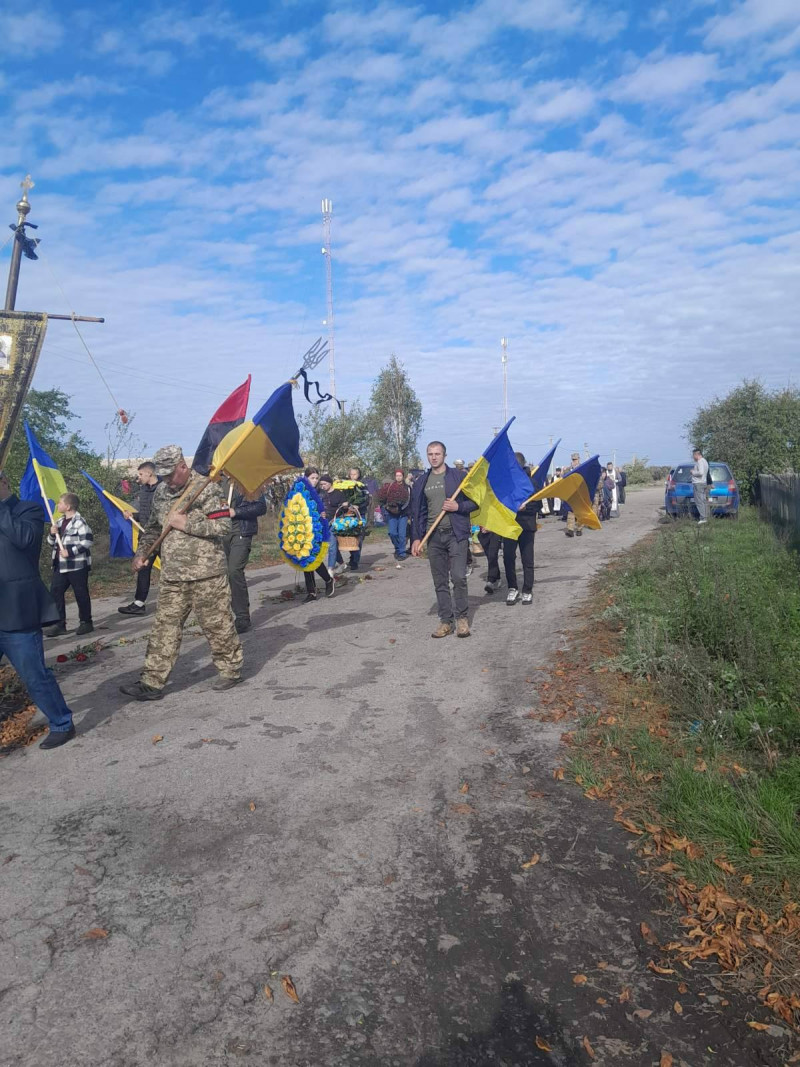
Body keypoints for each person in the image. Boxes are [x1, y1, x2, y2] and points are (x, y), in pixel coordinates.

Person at [119, 445, 243, 701]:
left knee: (217, 625)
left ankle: (230, 670)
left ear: (183, 467)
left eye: (169, 473)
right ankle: (152, 682)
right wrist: (143, 553)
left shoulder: (207, 488)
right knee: (164, 628)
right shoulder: (162, 492)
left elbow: (223, 526)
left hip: (206, 574)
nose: (165, 479)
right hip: (173, 575)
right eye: (161, 474)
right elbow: (153, 528)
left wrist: (186, 523)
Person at [0, 470, 77, 748]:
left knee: (33, 673)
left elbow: (25, 540)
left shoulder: (27, 510)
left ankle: (62, 723)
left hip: (16, 610)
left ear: (4, 482)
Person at [410, 440, 477, 638]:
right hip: (433, 537)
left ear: (444, 456)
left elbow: (475, 502)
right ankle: (446, 621)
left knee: (458, 576)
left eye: (437, 454)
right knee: (439, 581)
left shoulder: (459, 477)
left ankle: (462, 619)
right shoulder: (422, 481)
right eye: (430, 454)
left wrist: (459, 507)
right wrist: (416, 537)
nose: (434, 457)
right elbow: (417, 512)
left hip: (456, 534)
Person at [43, 493, 94, 638]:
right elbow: (51, 543)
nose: (58, 505)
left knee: (81, 593)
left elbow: (87, 541)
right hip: (61, 565)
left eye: (60, 503)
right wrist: (52, 534)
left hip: (76, 565)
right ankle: (59, 624)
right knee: (55, 591)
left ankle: (86, 622)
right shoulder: (59, 522)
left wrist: (71, 552)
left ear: (68, 506)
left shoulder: (79, 522)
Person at [118, 461, 160, 616]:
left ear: (149, 473)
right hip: (146, 536)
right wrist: (131, 514)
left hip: (163, 536)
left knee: (172, 567)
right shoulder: (143, 491)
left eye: (141, 474)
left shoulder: (164, 489)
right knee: (142, 567)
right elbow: (141, 512)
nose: (139, 478)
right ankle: (139, 603)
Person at [224, 483, 267, 633]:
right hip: (218, 535)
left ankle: (242, 616)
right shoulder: (212, 481)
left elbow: (261, 507)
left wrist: (236, 511)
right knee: (221, 575)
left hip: (240, 533)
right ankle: (222, 615)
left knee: (234, 570)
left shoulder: (246, 480)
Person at [503, 453, 541, 605]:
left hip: (526, 525)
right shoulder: (506, 483)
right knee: (507, 557)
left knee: (527, 559)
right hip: (509, 526)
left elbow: (538, 505)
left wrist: (525, 507)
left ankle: (527, 590)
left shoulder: (532, 483)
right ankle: (512, 588)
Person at [299, 469, 335, 602]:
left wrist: (324, 514)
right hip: (303, 530)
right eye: (312, 478)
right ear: (306, 478)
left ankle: (328, 579)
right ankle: (311, 592)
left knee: (313, 559)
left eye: (316, 478)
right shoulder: (301, 492)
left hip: (318, 530)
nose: (315, 481)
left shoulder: (322, 494)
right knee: (305, 560)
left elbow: (327, 510)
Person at [379, 469, 411, 561]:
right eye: (397, 476)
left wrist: (402, 509)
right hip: (391, 513)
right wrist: (386, 507)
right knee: (392, 533)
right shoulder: (390, 487)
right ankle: (397, 548)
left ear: (403, 476)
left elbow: (409, 500)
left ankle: (402, 553)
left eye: (400, 475)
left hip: (403, 514)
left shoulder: (407, 487)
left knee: (402, 534)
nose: (398, 477)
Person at [562, 452, 584, 538]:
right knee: (571, 511)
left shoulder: (583, 468)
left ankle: (579, 529)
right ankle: (570, 529)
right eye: (573, 460)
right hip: (571, 493)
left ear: (579, 459)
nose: (574, 461)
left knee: (580, 512)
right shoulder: (568, 469)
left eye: (576, 459)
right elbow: (563, 479)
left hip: (580, 493)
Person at [479, 528, 502, 594]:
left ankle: (491, 580)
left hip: (495, 531)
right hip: (483, 532)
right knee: (490, 557)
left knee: (492, 555)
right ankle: (497, 577)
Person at [691, 448, 710, 524]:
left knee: (699, 501)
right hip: (703, 482)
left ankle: (703, 518)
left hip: (698, 483)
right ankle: (705, 517)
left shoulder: (700, 461)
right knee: (703, 500)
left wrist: (693, 472)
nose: (693, 457)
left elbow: (701, 472)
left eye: (693, 455)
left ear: (697, 454)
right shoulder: (705, 461)